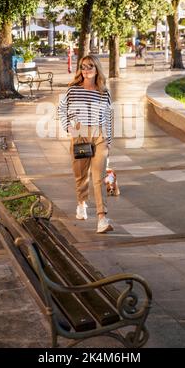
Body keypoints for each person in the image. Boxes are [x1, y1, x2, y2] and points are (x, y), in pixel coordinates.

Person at [58, 54, 114, 234]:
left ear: (97, 69)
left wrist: (109, 140)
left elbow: (108, 116)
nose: (86, 69)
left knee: (99, 177)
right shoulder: (73, 89)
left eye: (90, 66)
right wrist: (69, 128)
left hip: (100, 136)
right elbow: (62, 109)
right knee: (81, 175)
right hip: (79, 133)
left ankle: (101, 217)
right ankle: (81, 203)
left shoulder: (104, 91)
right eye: (83, 66)